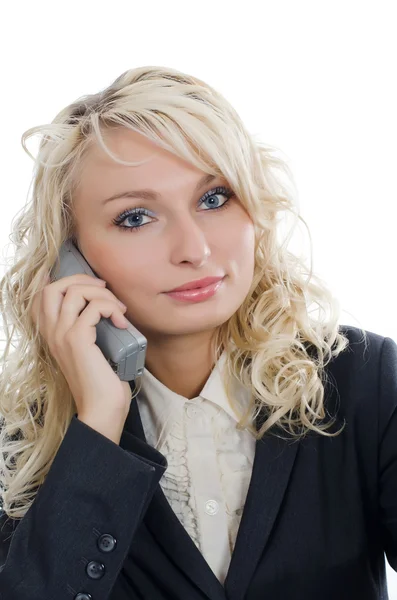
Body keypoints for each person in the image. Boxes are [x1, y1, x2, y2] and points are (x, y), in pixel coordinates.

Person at [0, 65, 395, 600]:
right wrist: (96, 428)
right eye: (136, 217)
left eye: (214, 199)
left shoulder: (367, 378)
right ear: (70, 259)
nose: (195, 249)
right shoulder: (18, 446)